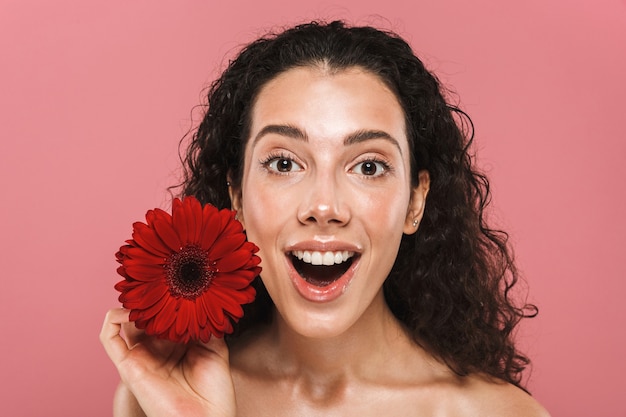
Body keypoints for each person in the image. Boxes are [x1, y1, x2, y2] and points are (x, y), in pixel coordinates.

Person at [101, 20, 550, 416]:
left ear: (416, 201)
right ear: (235, 197)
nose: (324, 207)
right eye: (283, 163)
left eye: (368, 166)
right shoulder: (156, 398)